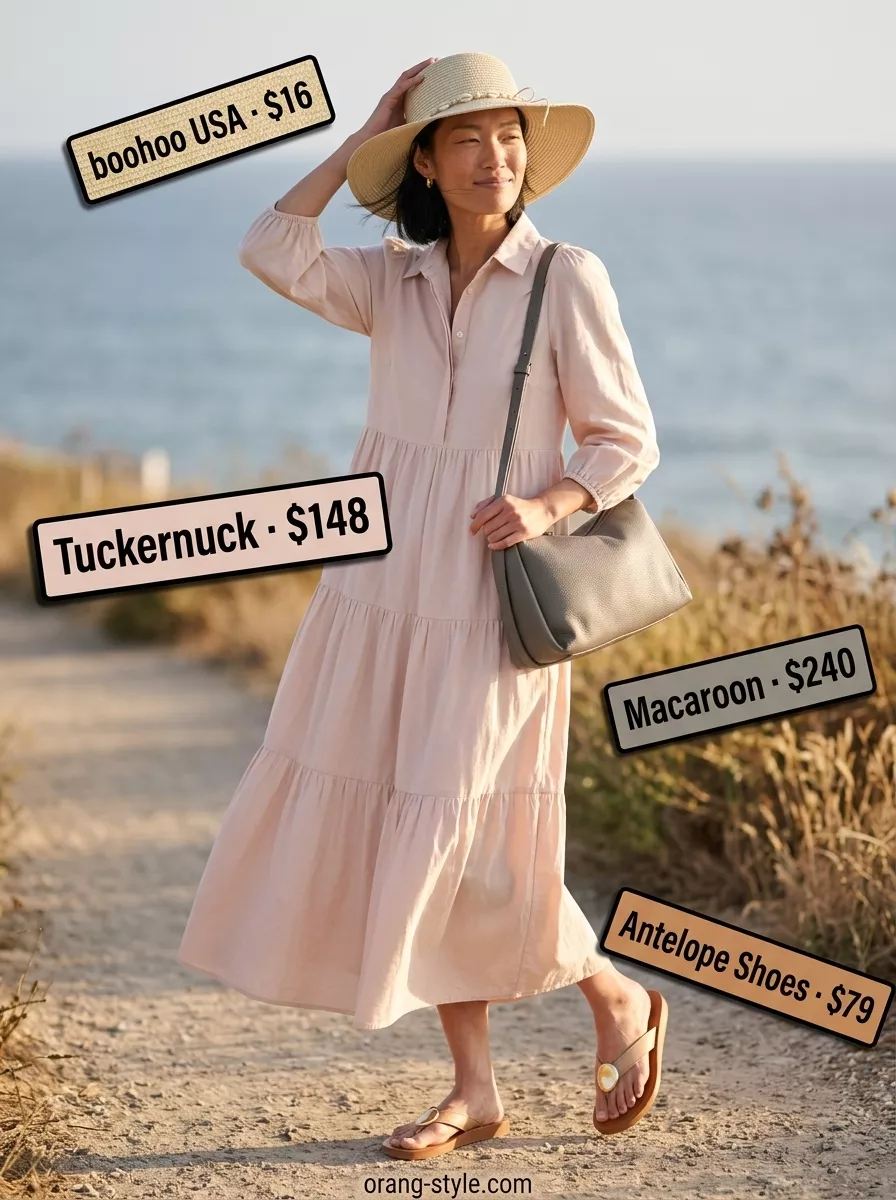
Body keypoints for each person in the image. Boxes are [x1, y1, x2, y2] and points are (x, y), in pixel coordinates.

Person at [177, 51, 669, 1160]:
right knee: (414, 819)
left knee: (465, 831)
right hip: (378, 584)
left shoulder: (565, 278)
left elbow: (624, 437)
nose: (495, 157)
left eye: (507, 137)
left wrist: (550, 503)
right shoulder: (388, 280)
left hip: (489, 594)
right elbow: (269, 246)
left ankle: (612, 993)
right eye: (465, 139)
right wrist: (362, 132)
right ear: (426, 165)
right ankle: (474, 1092)